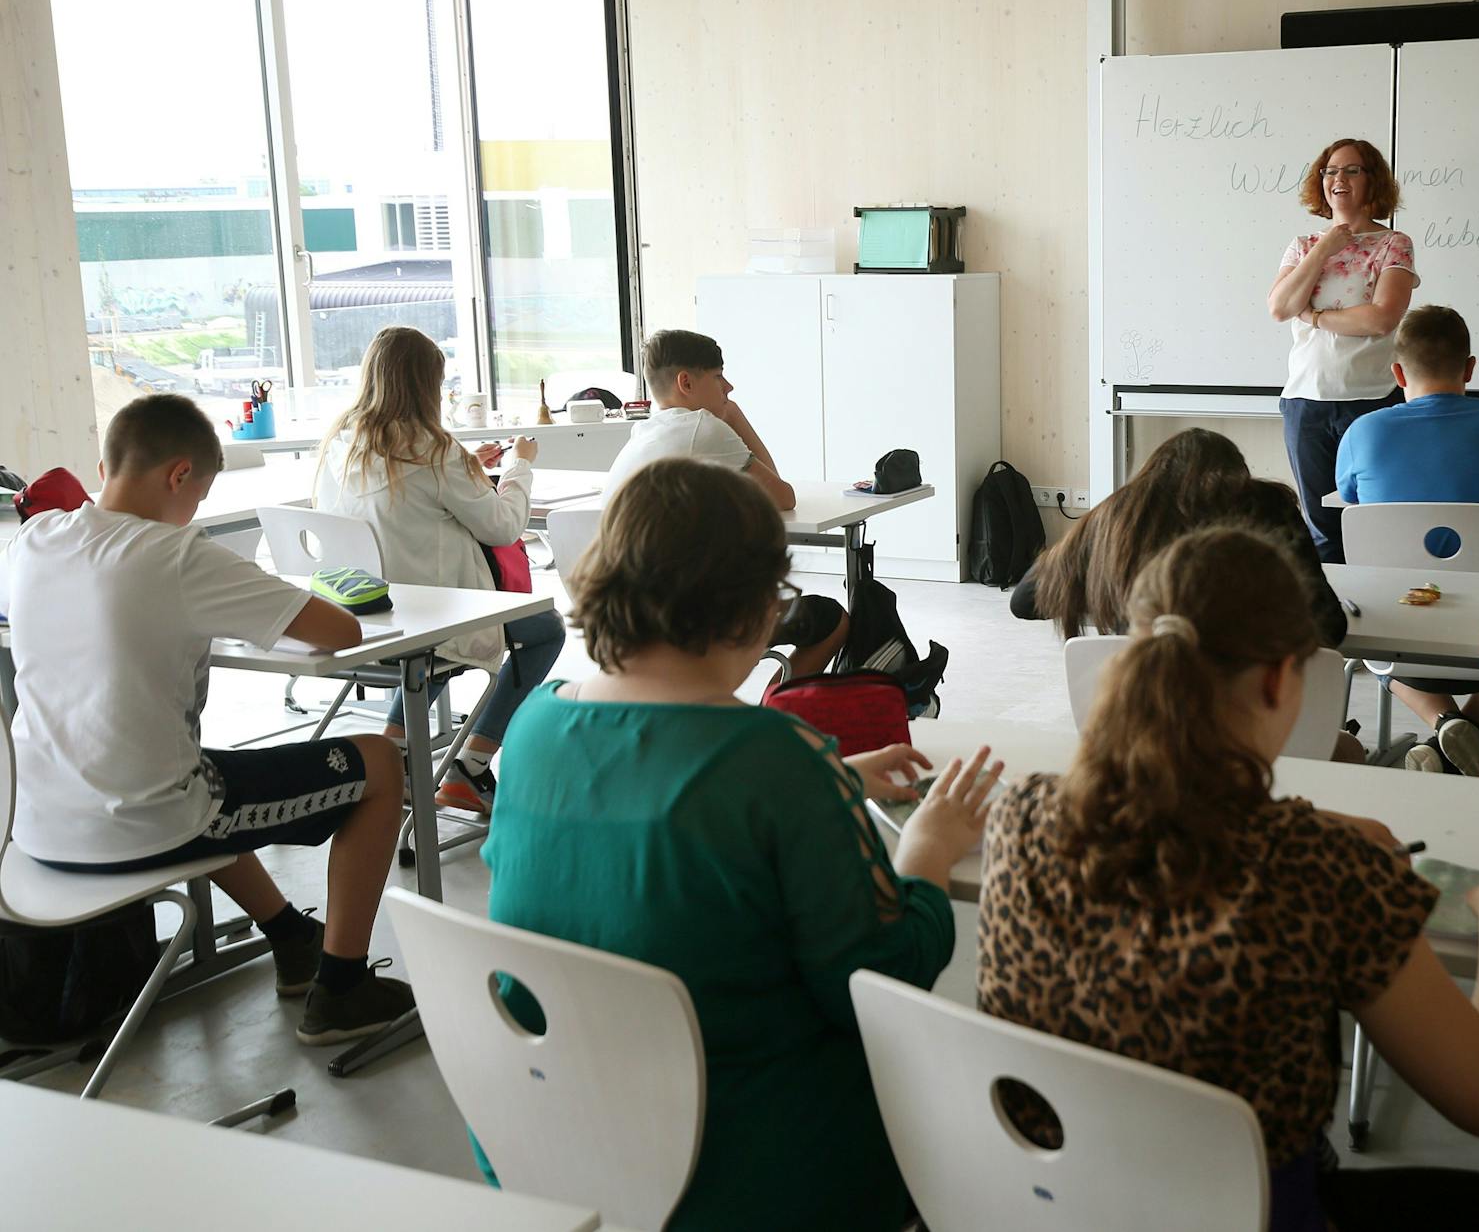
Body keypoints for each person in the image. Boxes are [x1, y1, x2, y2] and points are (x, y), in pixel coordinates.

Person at [978, 526, 1479, 1232]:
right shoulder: (1320, 871)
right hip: (1249, 1214)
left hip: (1050, 1211)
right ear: (1278, 677)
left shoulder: (1017, 815)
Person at [477, 457, 1003, 1231]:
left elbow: (657, 790)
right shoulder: (776, 757)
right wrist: (925, 844)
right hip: (751, 1170)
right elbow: (880, 973)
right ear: (758, 606)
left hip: (558, 1139)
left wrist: (834, 781)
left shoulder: (531, 729)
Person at [0, 394, 414, 1045]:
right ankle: (344, 988)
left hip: (29, 830)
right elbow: (338, 628)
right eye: (198, 496)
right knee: (381, 763)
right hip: (137, 825)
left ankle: (293, 938)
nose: (193, 511)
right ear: (179, 475)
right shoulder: (177, 555)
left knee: (204, 773)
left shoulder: (33, 540)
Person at [314, 326, 565, 817]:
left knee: (430, 639)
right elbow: (503, 526)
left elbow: (403, 504)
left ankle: (393, 757)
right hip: (434, 616)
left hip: (366, 616)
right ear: (426, 385)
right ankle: (471, 764)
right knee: (545, 631)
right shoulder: (433, 449)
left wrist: (467, 467)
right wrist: (518, 467)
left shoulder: (341, 443)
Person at [1336, 305, 1479, 780]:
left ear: (1397, 372)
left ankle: (1445, 726)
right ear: (1470, 368)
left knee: (1368, 627)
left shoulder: (1364, 430)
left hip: (1398, 630)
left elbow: (1347, 496)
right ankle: (1465, 737)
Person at [604, 328, 848, 675]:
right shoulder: (702, 428)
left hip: (624, 615)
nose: (728, 388)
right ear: (686, 383)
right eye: (719, 376)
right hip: (686, 619)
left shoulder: (643, 432)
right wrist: (734, 415)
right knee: (831, 618)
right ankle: (776, 713)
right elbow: (782, 496)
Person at [1015, 428, 1346, 649]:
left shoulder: (1116, 514)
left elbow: (1025, 601)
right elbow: (1329, 627)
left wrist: (1113, 590)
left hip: (1138, 726)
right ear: (1240, 478)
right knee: (1349, 748)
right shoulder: (1269, 508)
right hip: (1246, 722)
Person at [1267, 137, 1420, 563]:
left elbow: (1380, 319)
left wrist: (1313, 317)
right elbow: (1280, 308)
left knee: (1373, 524)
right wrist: (1323, 250)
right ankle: (1334, 623)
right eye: (1331, 171)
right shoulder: (1303, 245)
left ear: (1373, 182)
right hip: (1306, 402)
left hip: (1370, 400)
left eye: (1352, 170)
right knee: (1322, 530)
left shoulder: (1394, 244)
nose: (1339, 179)